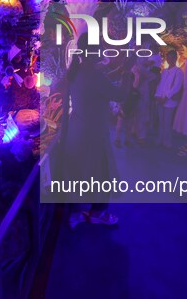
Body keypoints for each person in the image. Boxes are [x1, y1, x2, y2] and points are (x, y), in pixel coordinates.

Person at [61, 35, 129, 228]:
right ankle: (97, 213)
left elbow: (67, 104)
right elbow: (121, 95)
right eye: (100, 48)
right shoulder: (95, 75)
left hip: (77, 129)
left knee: (81, 173)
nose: (102, 51)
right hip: (93, 133)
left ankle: (79, 212)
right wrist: (127, 73)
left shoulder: (75, 72)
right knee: (101, 174)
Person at [154, 50, 183, 148]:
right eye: (168, 57)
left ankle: (167, 141)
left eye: (172, 57)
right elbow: (160, 85)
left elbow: (177, 86)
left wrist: (166, 96)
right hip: (160, 99)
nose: (170, 59)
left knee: (167, 122)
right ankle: (160, 139)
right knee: (161, 121)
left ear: (175, 58)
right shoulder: (164, 71)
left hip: (169, 101)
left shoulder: (178, 72)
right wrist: (157, 95)